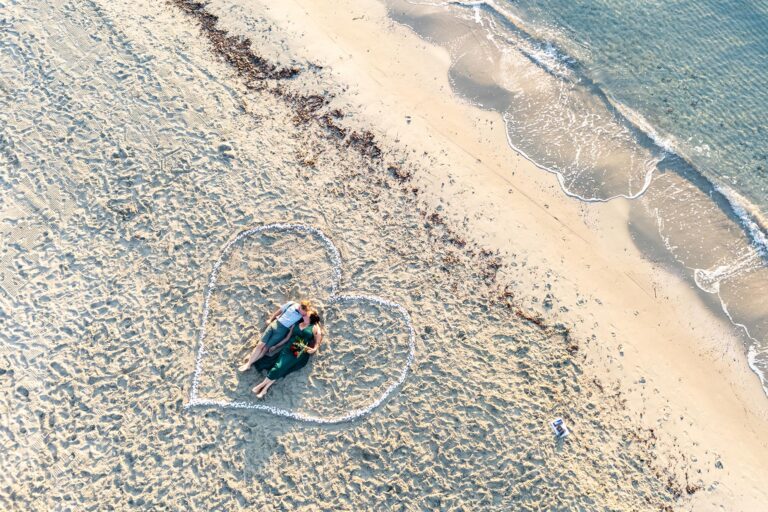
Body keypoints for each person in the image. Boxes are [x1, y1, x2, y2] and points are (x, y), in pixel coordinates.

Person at [250, 310, 323, 398]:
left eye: (306, 315)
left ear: (310, 318)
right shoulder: (297, 323)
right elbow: (287, 338)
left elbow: (317, 341)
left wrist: (314, 348)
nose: (304, 315)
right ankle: (265, 389)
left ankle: (261, 385)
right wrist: (276, 346)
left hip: (299, 350)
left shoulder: (314, 327)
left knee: (279, 367)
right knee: (280, 367)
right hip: (288, 347)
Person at [238, 299, 311, 372]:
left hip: (282, 331)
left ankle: (249, 364)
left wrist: (276, 346)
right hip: (275, 323)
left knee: (265, 349)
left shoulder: (303, 316)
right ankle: (249, 364)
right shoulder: (291, 304)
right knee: (260, 344)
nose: (303, 314)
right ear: (300, 306)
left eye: (304, 313)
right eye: (303, 312)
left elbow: (310, 320)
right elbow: (280, 311)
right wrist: (270, 319)